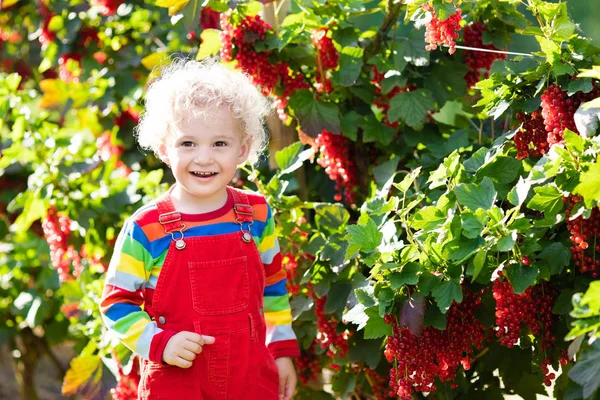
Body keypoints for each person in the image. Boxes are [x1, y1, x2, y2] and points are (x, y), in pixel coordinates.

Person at [100, 58, 299, 400]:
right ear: (164, 148)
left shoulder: (256, 213)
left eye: (219, 144)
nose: (204, 158)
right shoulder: (147, 228)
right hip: (179, 383)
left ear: (244, 148)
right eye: (188, 143)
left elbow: (274, 287)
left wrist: (281, 352)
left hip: (249, 377)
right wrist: (159, 343)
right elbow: (116, 303)